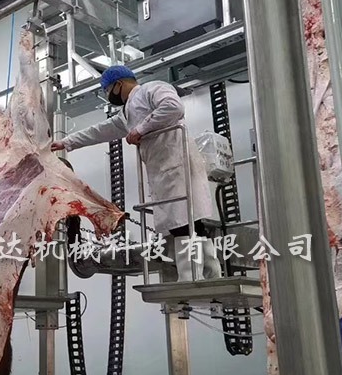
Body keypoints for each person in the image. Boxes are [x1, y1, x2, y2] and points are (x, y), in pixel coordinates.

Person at [51, 65, 219, 281]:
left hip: (176, 164)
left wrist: (140, 129)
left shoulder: (152, 89)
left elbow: (173, 106)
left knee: (182, 224)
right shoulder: (128, 112)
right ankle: (212, 275)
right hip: (165, 168)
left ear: (118, 84)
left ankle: (190, 279)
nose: (108, 96)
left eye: (107, 90)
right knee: (190, 223)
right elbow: (100, 131)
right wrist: (66, 142)